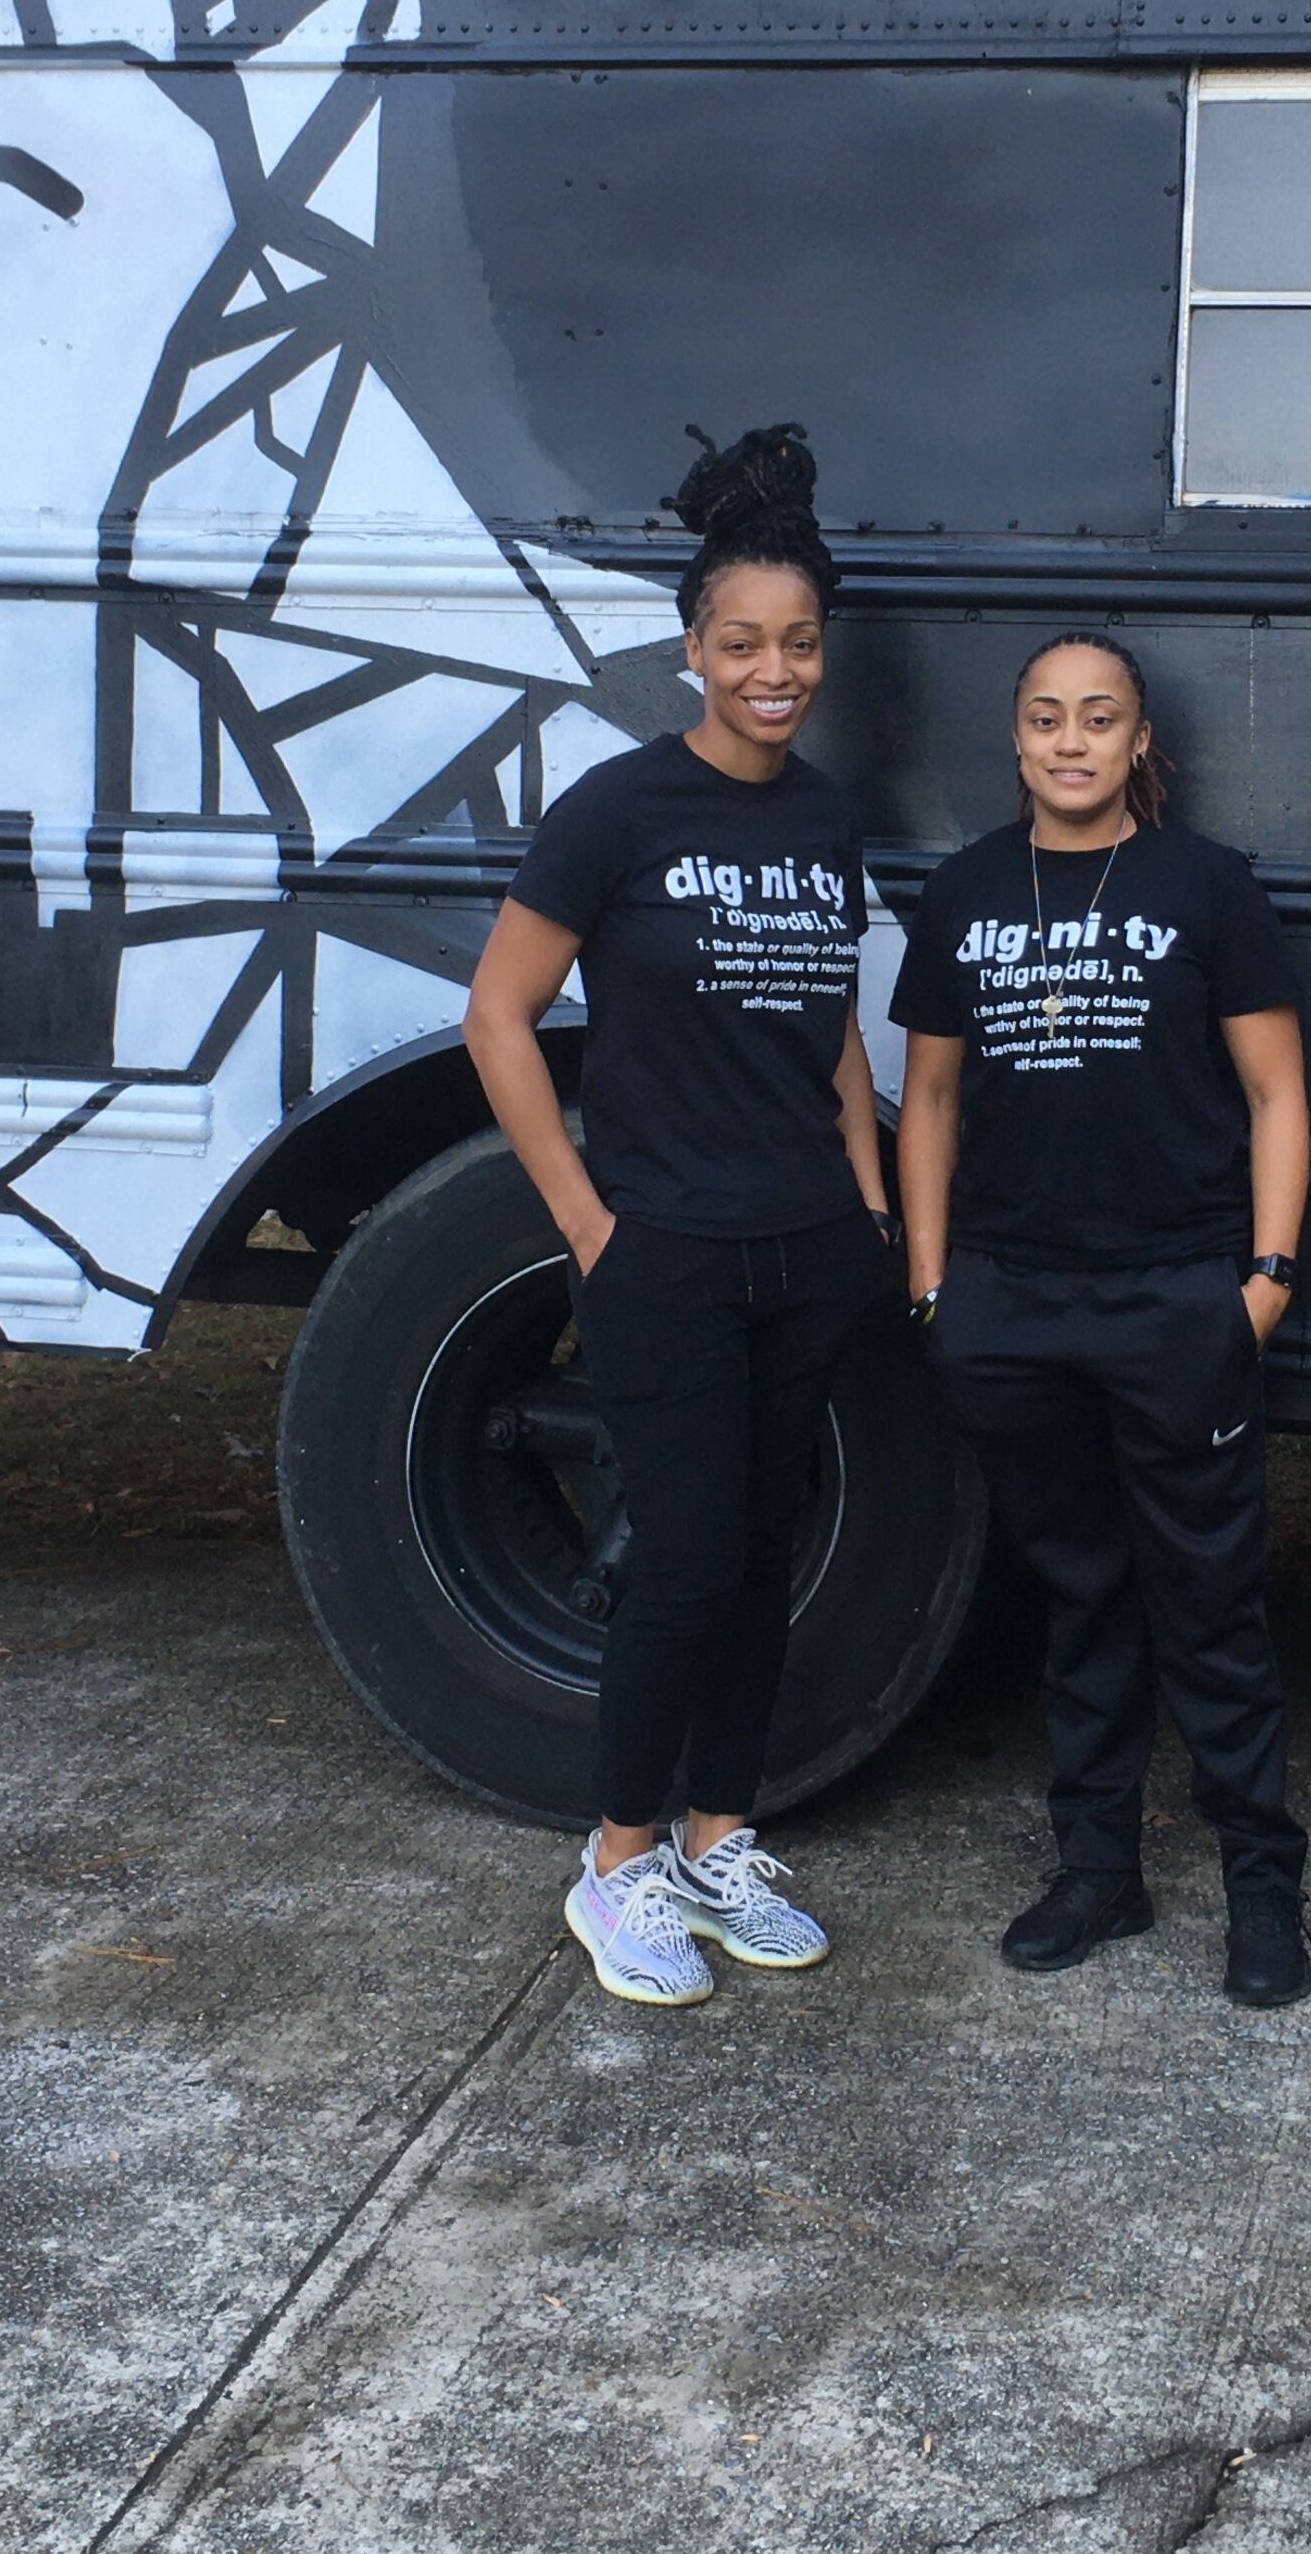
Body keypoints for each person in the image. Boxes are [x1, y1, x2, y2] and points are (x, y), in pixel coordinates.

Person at [461, 425, 891, 2008]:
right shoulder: (617, 811)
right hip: (666, 1251)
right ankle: (619, 1862)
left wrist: (859, 1194)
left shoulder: (827, 821)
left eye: (797, 645)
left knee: (758, 1549)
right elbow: (498, 1018)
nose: (772, 671)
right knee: (690, 1559)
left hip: (806, 1245)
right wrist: (588, 1224)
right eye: (740, 645)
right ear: (693, 653)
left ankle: (721, 1839)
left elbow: (832, 1020)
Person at [890, 631, 1311, 2007]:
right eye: (1045, 720)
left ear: (1142, 745)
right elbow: (934, 1103)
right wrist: (937, 1291)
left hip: (1175, 1301)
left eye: (1099, 719)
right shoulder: (960, 894)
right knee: (1078, 1598)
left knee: (1211, 1608)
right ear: (1015, 742)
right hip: (1013, 1308)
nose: (1070, 742)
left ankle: (1263, 1888)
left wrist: (1261, 1284)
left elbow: (1277, 1098)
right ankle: (1099, 1873)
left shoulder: (1208, 889)